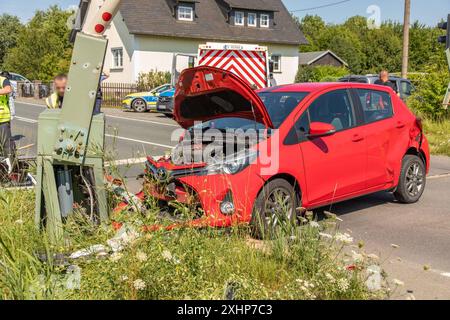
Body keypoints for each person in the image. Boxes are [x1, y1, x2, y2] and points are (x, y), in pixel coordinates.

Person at [0, 72, 14, 170]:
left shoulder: (3, 80)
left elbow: (8, 89)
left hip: (2, 119)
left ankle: (11, 170)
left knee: (7, 146)